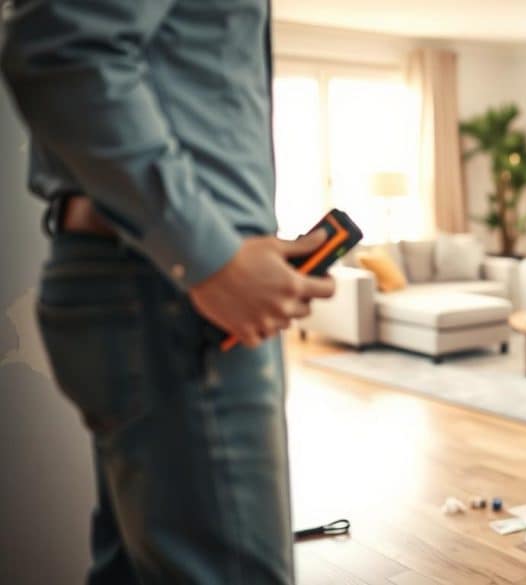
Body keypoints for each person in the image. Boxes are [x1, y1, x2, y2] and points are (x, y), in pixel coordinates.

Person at [2, 1, 335, 583]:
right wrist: (209, 260)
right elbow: (63, 49)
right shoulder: (188, 276)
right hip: (168, 291)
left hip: (161, 286)